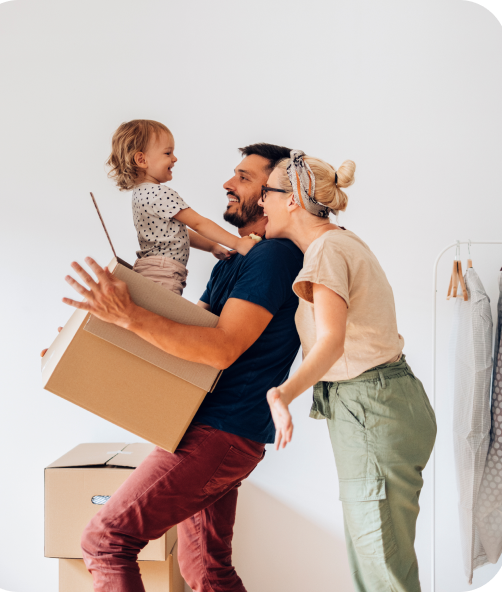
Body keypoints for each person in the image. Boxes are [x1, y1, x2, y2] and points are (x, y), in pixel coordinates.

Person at [60, 143, 304, 592]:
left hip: (220, 433)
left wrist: (128, 315)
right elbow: (181, 338)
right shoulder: (236, 259)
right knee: (206, 571)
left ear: (279, 195)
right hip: (213, 430)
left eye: (245, 178)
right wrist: (85, 341)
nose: (228, 184)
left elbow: (220, 350)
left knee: (106, 540)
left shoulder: (275, 257)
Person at [263, 151, 437, 592]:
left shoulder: (324, 253)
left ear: (292, 200)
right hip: (385, 404)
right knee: (384, 562)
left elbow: (331, 342)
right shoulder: (341, 241)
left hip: (371, 410)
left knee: (382, 572)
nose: (261, 201)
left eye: (267, 192)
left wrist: (282, 394)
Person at [107, 119, 259, 295]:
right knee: (164, 318)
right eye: (167, 153)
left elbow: (178, 232)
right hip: (163, 273)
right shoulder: (159, 193)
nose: (174, 158)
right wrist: (238, 243)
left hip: (150, 270)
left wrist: (212, 246)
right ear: (142, 160)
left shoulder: (141, 194)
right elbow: (198, 223)